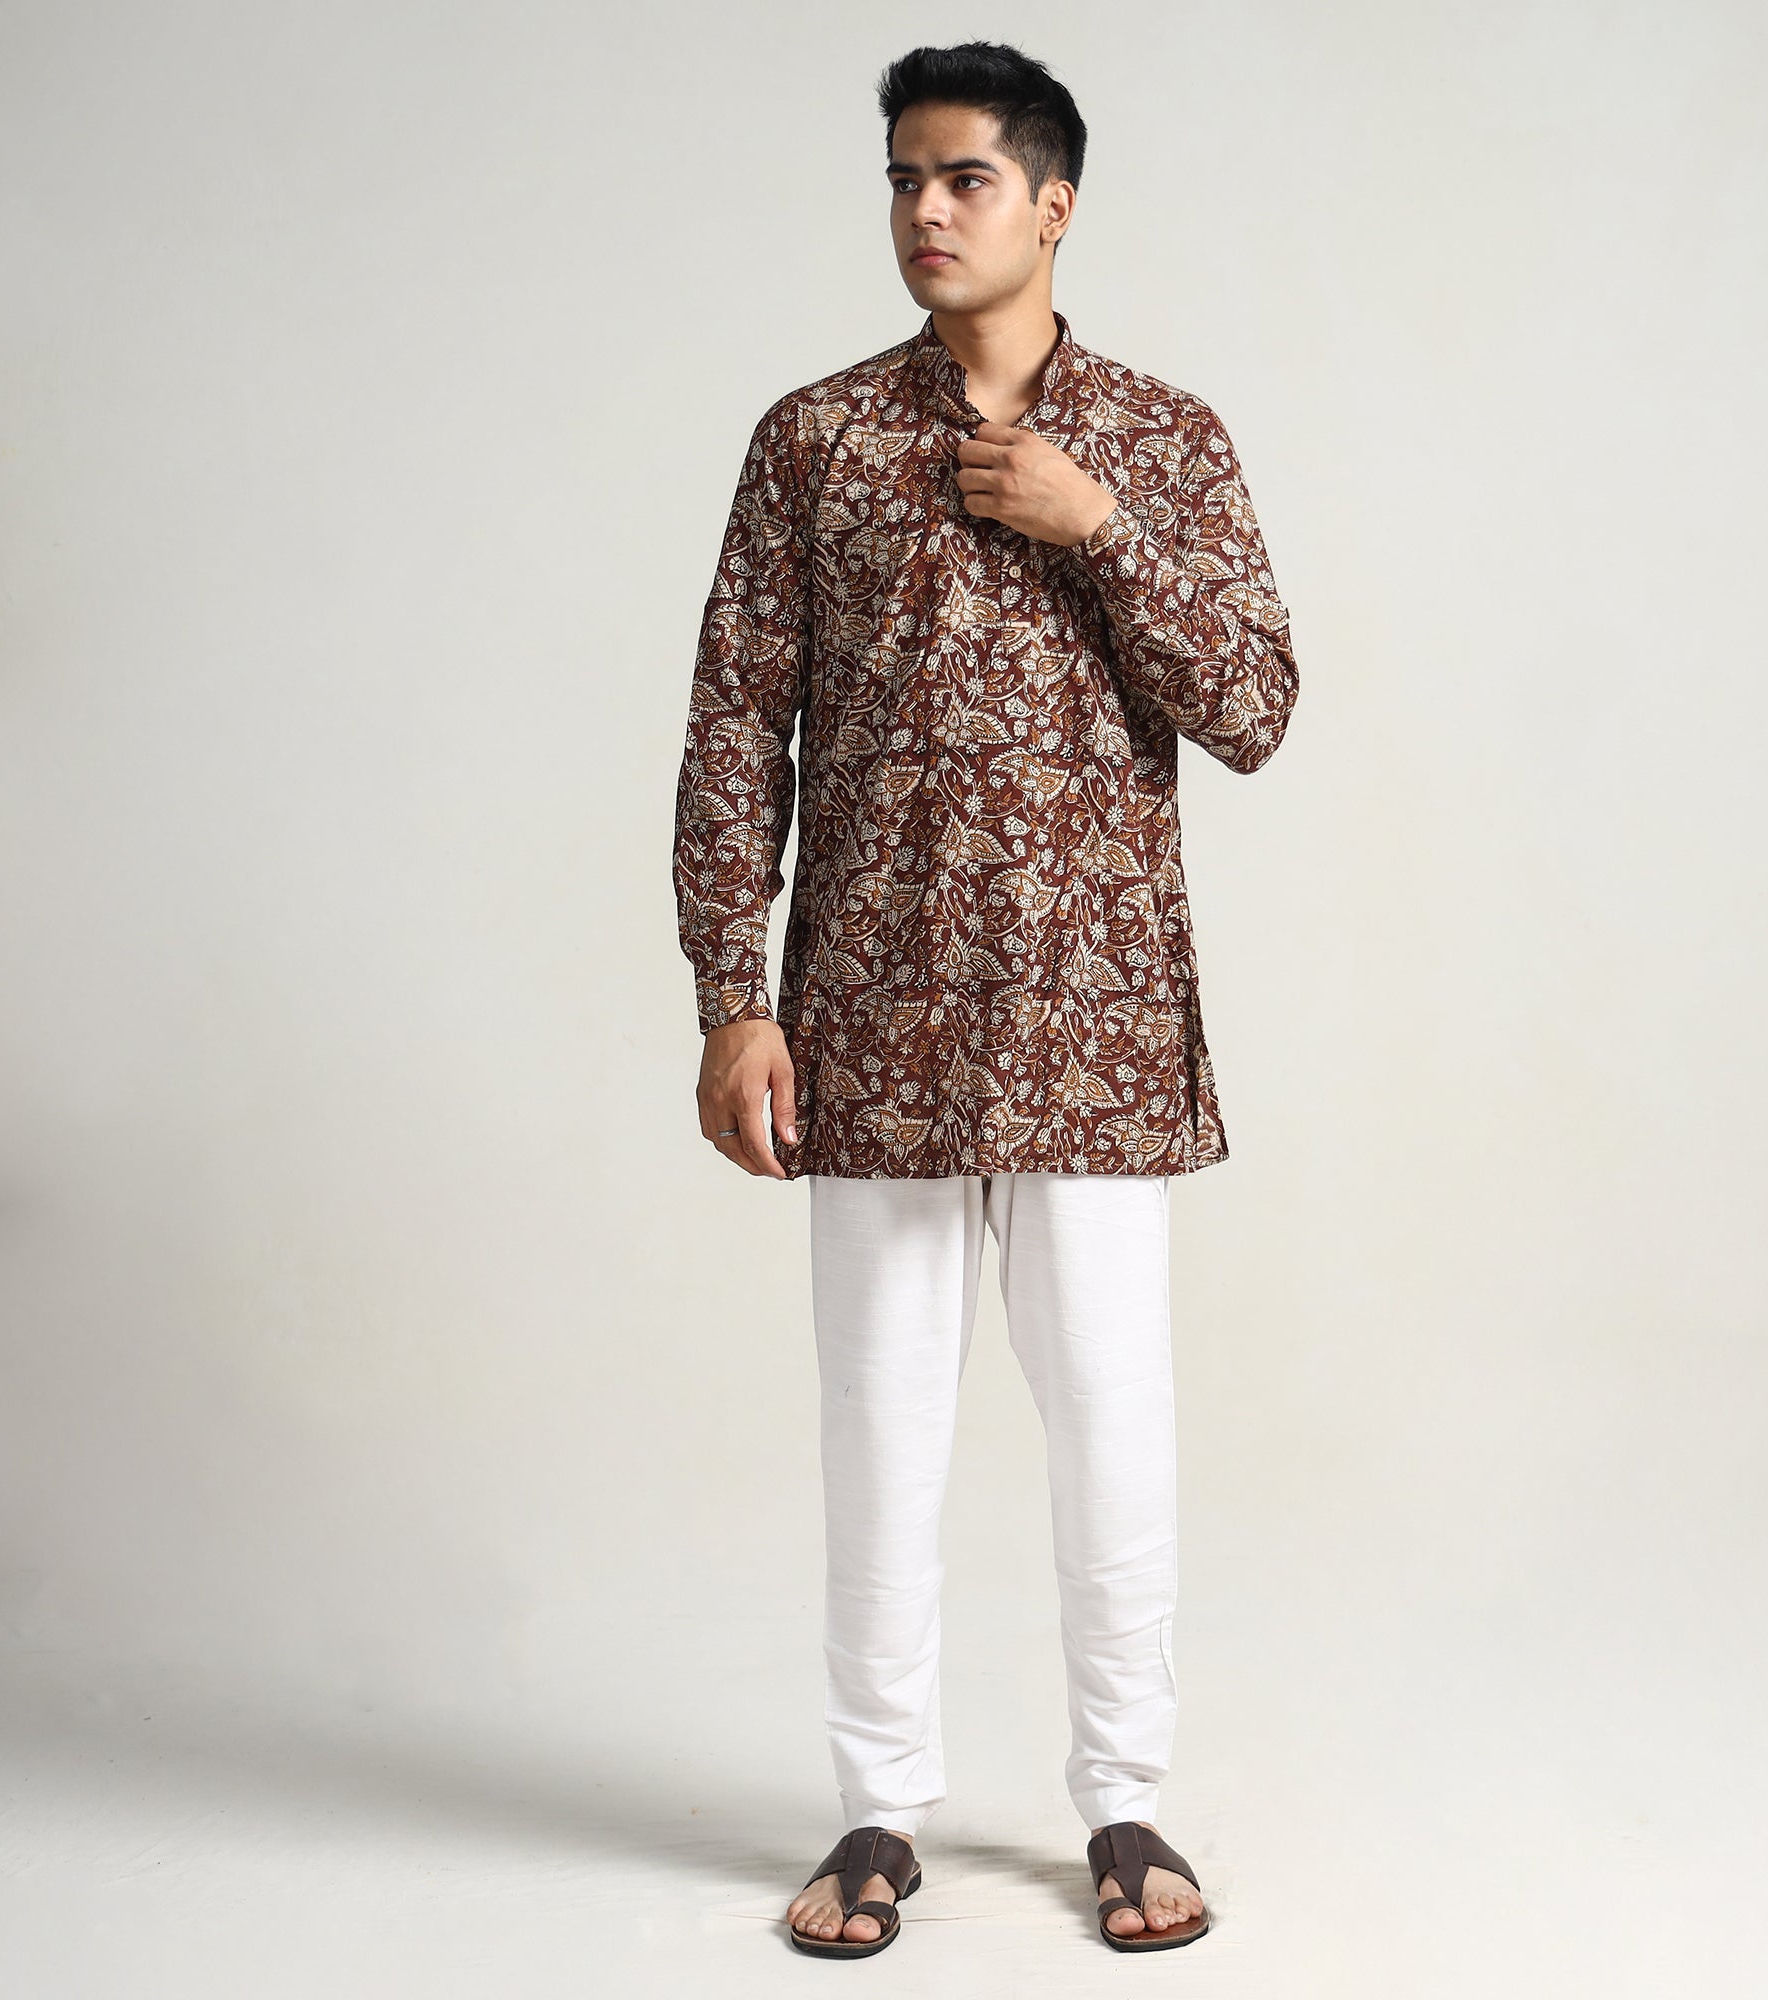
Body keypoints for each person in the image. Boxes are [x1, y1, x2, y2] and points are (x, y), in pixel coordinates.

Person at [672, 39, 1299, 1959]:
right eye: (902, 178)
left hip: (1088, 1026)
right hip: (869, 1017)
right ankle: (879, 1811)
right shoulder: (814, 441)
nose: (925, 211)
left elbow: (1257, 708)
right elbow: (735, 726)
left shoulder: (1161, 439)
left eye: (962, 178)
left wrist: (1096, 525)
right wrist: (732, 993)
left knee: (1113, 1425)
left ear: (1054, 203)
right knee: (880, 1431)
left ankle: (1124, 1804)